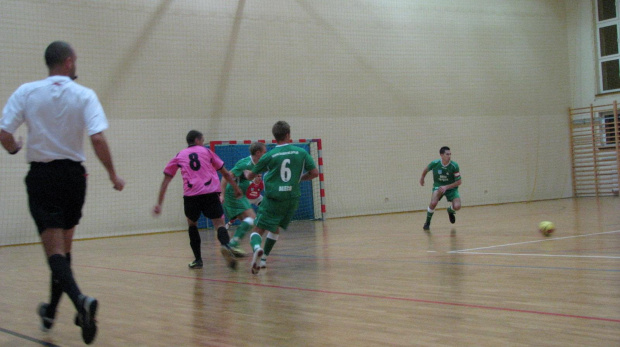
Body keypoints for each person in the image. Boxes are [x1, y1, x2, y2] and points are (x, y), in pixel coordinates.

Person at [0, 41, 125, 344]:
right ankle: (50, 312)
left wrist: (15, 147)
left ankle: (80, 300)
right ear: (69, 62)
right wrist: (112, 174)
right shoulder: (85, 95)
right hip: (74, 177)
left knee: (54, 252)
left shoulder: (27, 91)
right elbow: (97, 139)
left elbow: (4, 133)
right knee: (64, 251)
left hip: (43, 177)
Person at [153, 130, 243, 270]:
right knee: (219, 223)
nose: (202, 142)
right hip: (210, 193)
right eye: (202, 140)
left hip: (191, 196)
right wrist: (236, 188)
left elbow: (166, 180)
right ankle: (225, 246)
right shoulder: (206, 152)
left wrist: (159, 203)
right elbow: (224, 172)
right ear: (197, 140)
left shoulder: (179, 155)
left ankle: (198, 260)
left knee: (192, 225)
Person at [246, 121, 319, 274]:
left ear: (275, 137)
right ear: (288, 135)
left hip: (274, 198)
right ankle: (264, 259)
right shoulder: (302, 152)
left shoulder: (270, 155)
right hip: (292, 199)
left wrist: (248, 174)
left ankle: (257, 249)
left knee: (257, 230)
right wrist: (299, 179)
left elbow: (252, 175)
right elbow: (314, 173)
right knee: (275, 227)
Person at [219, 142, 267, 257]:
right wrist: (222, 194)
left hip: (241, 195)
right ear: (258, 153)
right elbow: (227, 176)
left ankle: (234, 245)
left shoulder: (259, 164)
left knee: (247, 222)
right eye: (264, 152)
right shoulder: (245, 163)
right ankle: (232, 244)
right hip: (235, 194)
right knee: (252, 218)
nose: (266, 154)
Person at [419, 146, 462, 231]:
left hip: (451, 188)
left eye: (450, 154)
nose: (449, 156)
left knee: (457, 206)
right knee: (433, 202)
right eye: (447, 154)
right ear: (441, 155)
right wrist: (422, 178)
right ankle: (427, 222)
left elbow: (459, 182)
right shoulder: (435, 163)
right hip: (438, 186)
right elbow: (426, 169)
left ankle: (450, 210)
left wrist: (446, 187)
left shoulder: (454, 165)